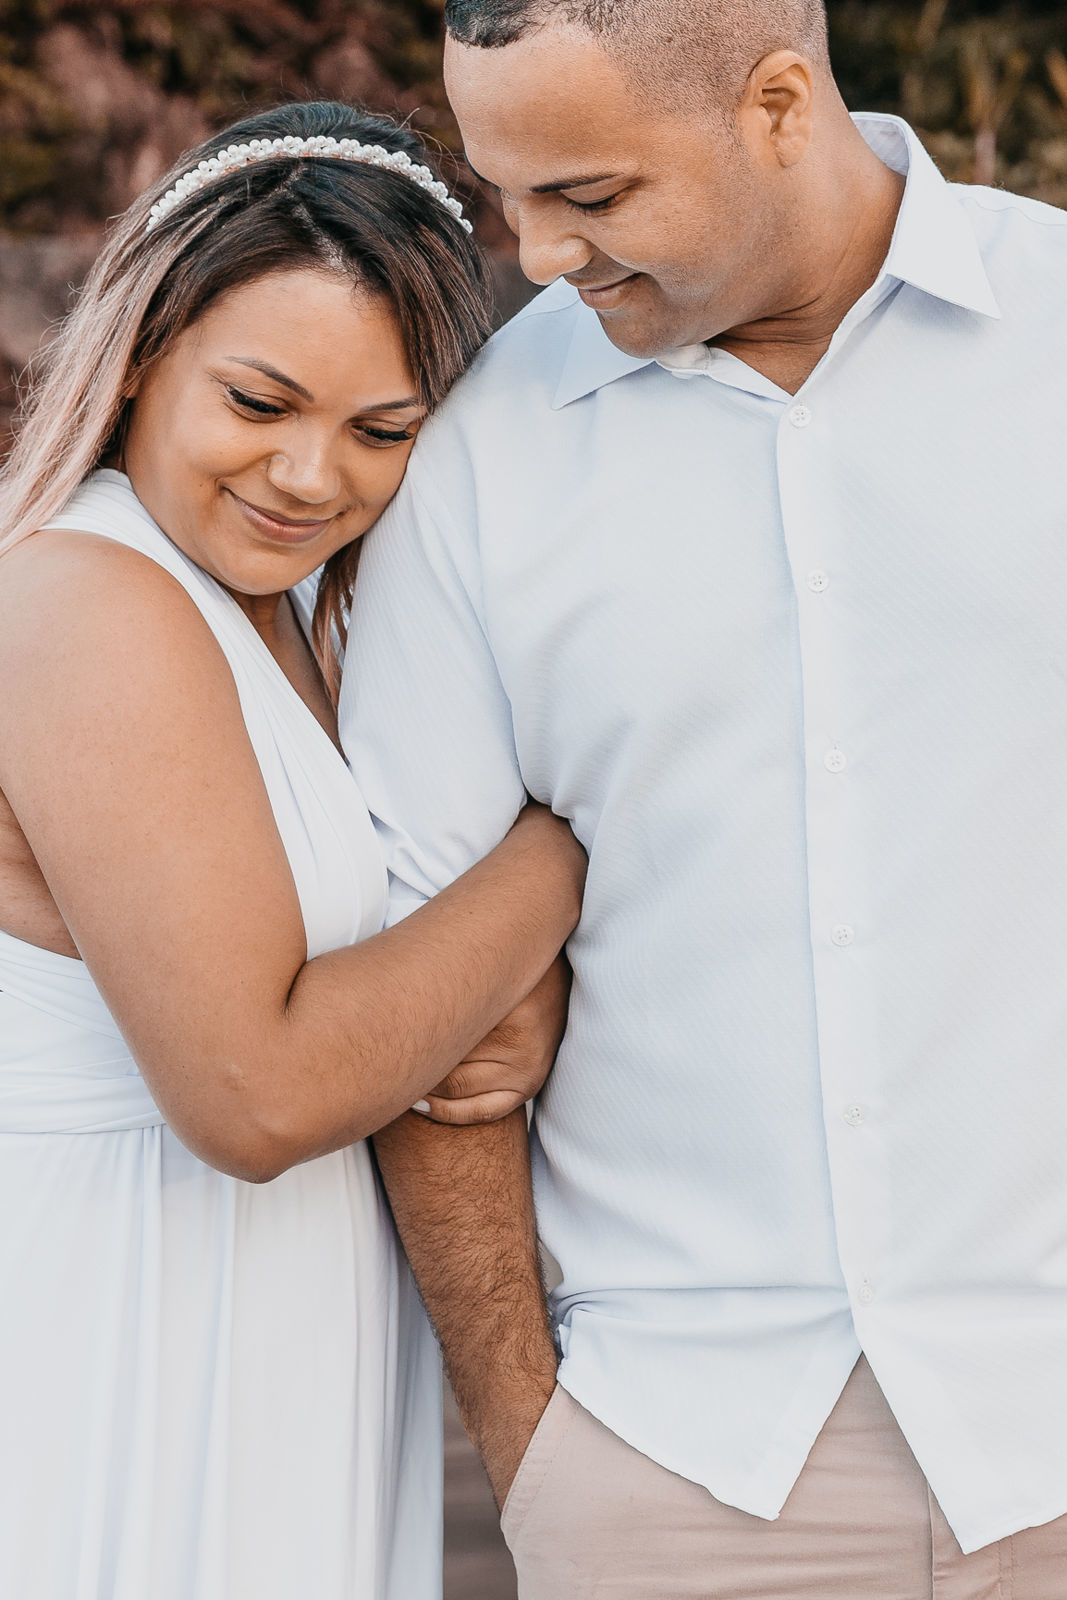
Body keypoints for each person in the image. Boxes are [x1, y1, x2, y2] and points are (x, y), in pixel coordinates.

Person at [340, 3, 1067, 1595]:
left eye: (591, 197)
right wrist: (533, 1449)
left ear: (781, 104)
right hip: (674, 1467)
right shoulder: (479, 456)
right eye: (505, 195)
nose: (533, 257)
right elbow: (431, 1021)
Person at [0, 101, 586, 1600]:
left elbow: (367, 973)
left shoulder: (283, 620)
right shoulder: (88, 600)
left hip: (275, 1314)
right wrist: (561, 858)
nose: (312, 477)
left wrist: (511, 997)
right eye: (258, 402)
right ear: (141, 355)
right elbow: (255, 1093)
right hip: (127, 1322)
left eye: (381, 431)